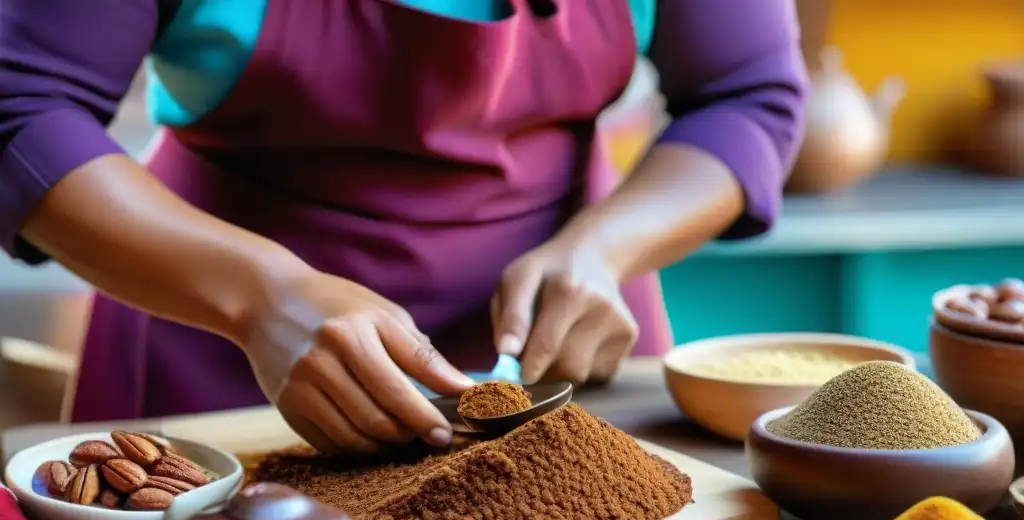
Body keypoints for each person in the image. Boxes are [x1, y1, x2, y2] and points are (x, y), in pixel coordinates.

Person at [0, 0, 808, 454]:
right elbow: (22, 108)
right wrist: (260, 297)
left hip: (566, 356)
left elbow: (749, 95)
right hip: (212, 341)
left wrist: (607, 248)